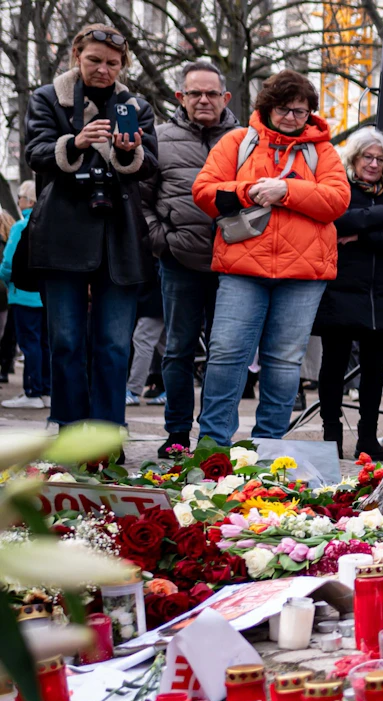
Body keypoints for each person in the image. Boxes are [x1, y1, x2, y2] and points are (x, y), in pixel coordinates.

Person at [193, 69, 350, 447]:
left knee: (284, 363)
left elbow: (338, 201)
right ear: (267, 109)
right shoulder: (237, 142)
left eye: (300, 111)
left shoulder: (323, 151)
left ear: (310, 112)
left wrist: (287, 190)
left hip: (303, 274)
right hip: (242, 268)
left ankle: (268, 449)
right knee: (227, 355)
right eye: (283, 110)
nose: (291, 118)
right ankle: (213, 447)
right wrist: (251, 190)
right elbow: (203, 191)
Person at [23, 24, 158, 429]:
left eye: (112, 63)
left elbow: (151, 165)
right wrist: (77, 142)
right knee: (65, 342)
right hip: (62, 233)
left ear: (123, 64)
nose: (103, 70)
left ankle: (106, 434)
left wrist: (127, 150)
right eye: (94, 60)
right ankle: (67, 426)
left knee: (115, 344)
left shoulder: (135, 105)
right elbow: (35, 152)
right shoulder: (48, 98)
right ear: (76, 56)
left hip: (119, 236)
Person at [144, 59, 240, 451]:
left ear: (225, 97)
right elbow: (142, 198)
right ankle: (177, 433)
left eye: (211, 93)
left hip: (234, 264)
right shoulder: (159, 137)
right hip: (179, 261)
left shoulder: (246, 139)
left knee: (226, 355)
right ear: (181, 97)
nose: (203, 100)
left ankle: (215, 438)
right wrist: (161, 240)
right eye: (194, 93)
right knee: (178, 350)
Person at [312, 128, 383, 463]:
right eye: (366, 157)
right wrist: (375, 218)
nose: (373, 164)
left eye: (379, 159)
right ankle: (331, 435)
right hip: (341, 293)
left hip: (380, 298)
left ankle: (368, 439)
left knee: (374, 371)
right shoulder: (339, 188)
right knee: (334, 366)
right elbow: (334, 221)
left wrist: (361, 236)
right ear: (353, 159)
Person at [0, 185, 45, 411]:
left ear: (28, 201)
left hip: (23, 294)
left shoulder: (20, 227)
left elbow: (8, 263)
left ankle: (32, 390)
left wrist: (8, 282)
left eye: (19, 198)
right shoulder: (49, 226)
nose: (18, 202)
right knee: (44, 344)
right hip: (45, 295)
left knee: (29, 344)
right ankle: (45, 390)